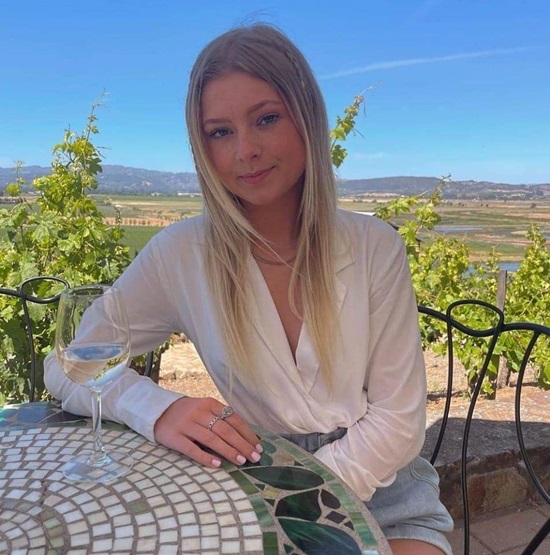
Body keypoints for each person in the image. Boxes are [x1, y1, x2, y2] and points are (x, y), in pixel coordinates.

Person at [44, 23, 453, 554]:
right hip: (257, 478)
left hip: (386, 492)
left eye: (266, 119)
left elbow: (399, 422)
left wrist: (298, 494)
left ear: (306, 118)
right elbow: (68, 365)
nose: (245, 151)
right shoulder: (181, 254)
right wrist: (157, 409)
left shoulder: (375, 246)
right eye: (220, 132)